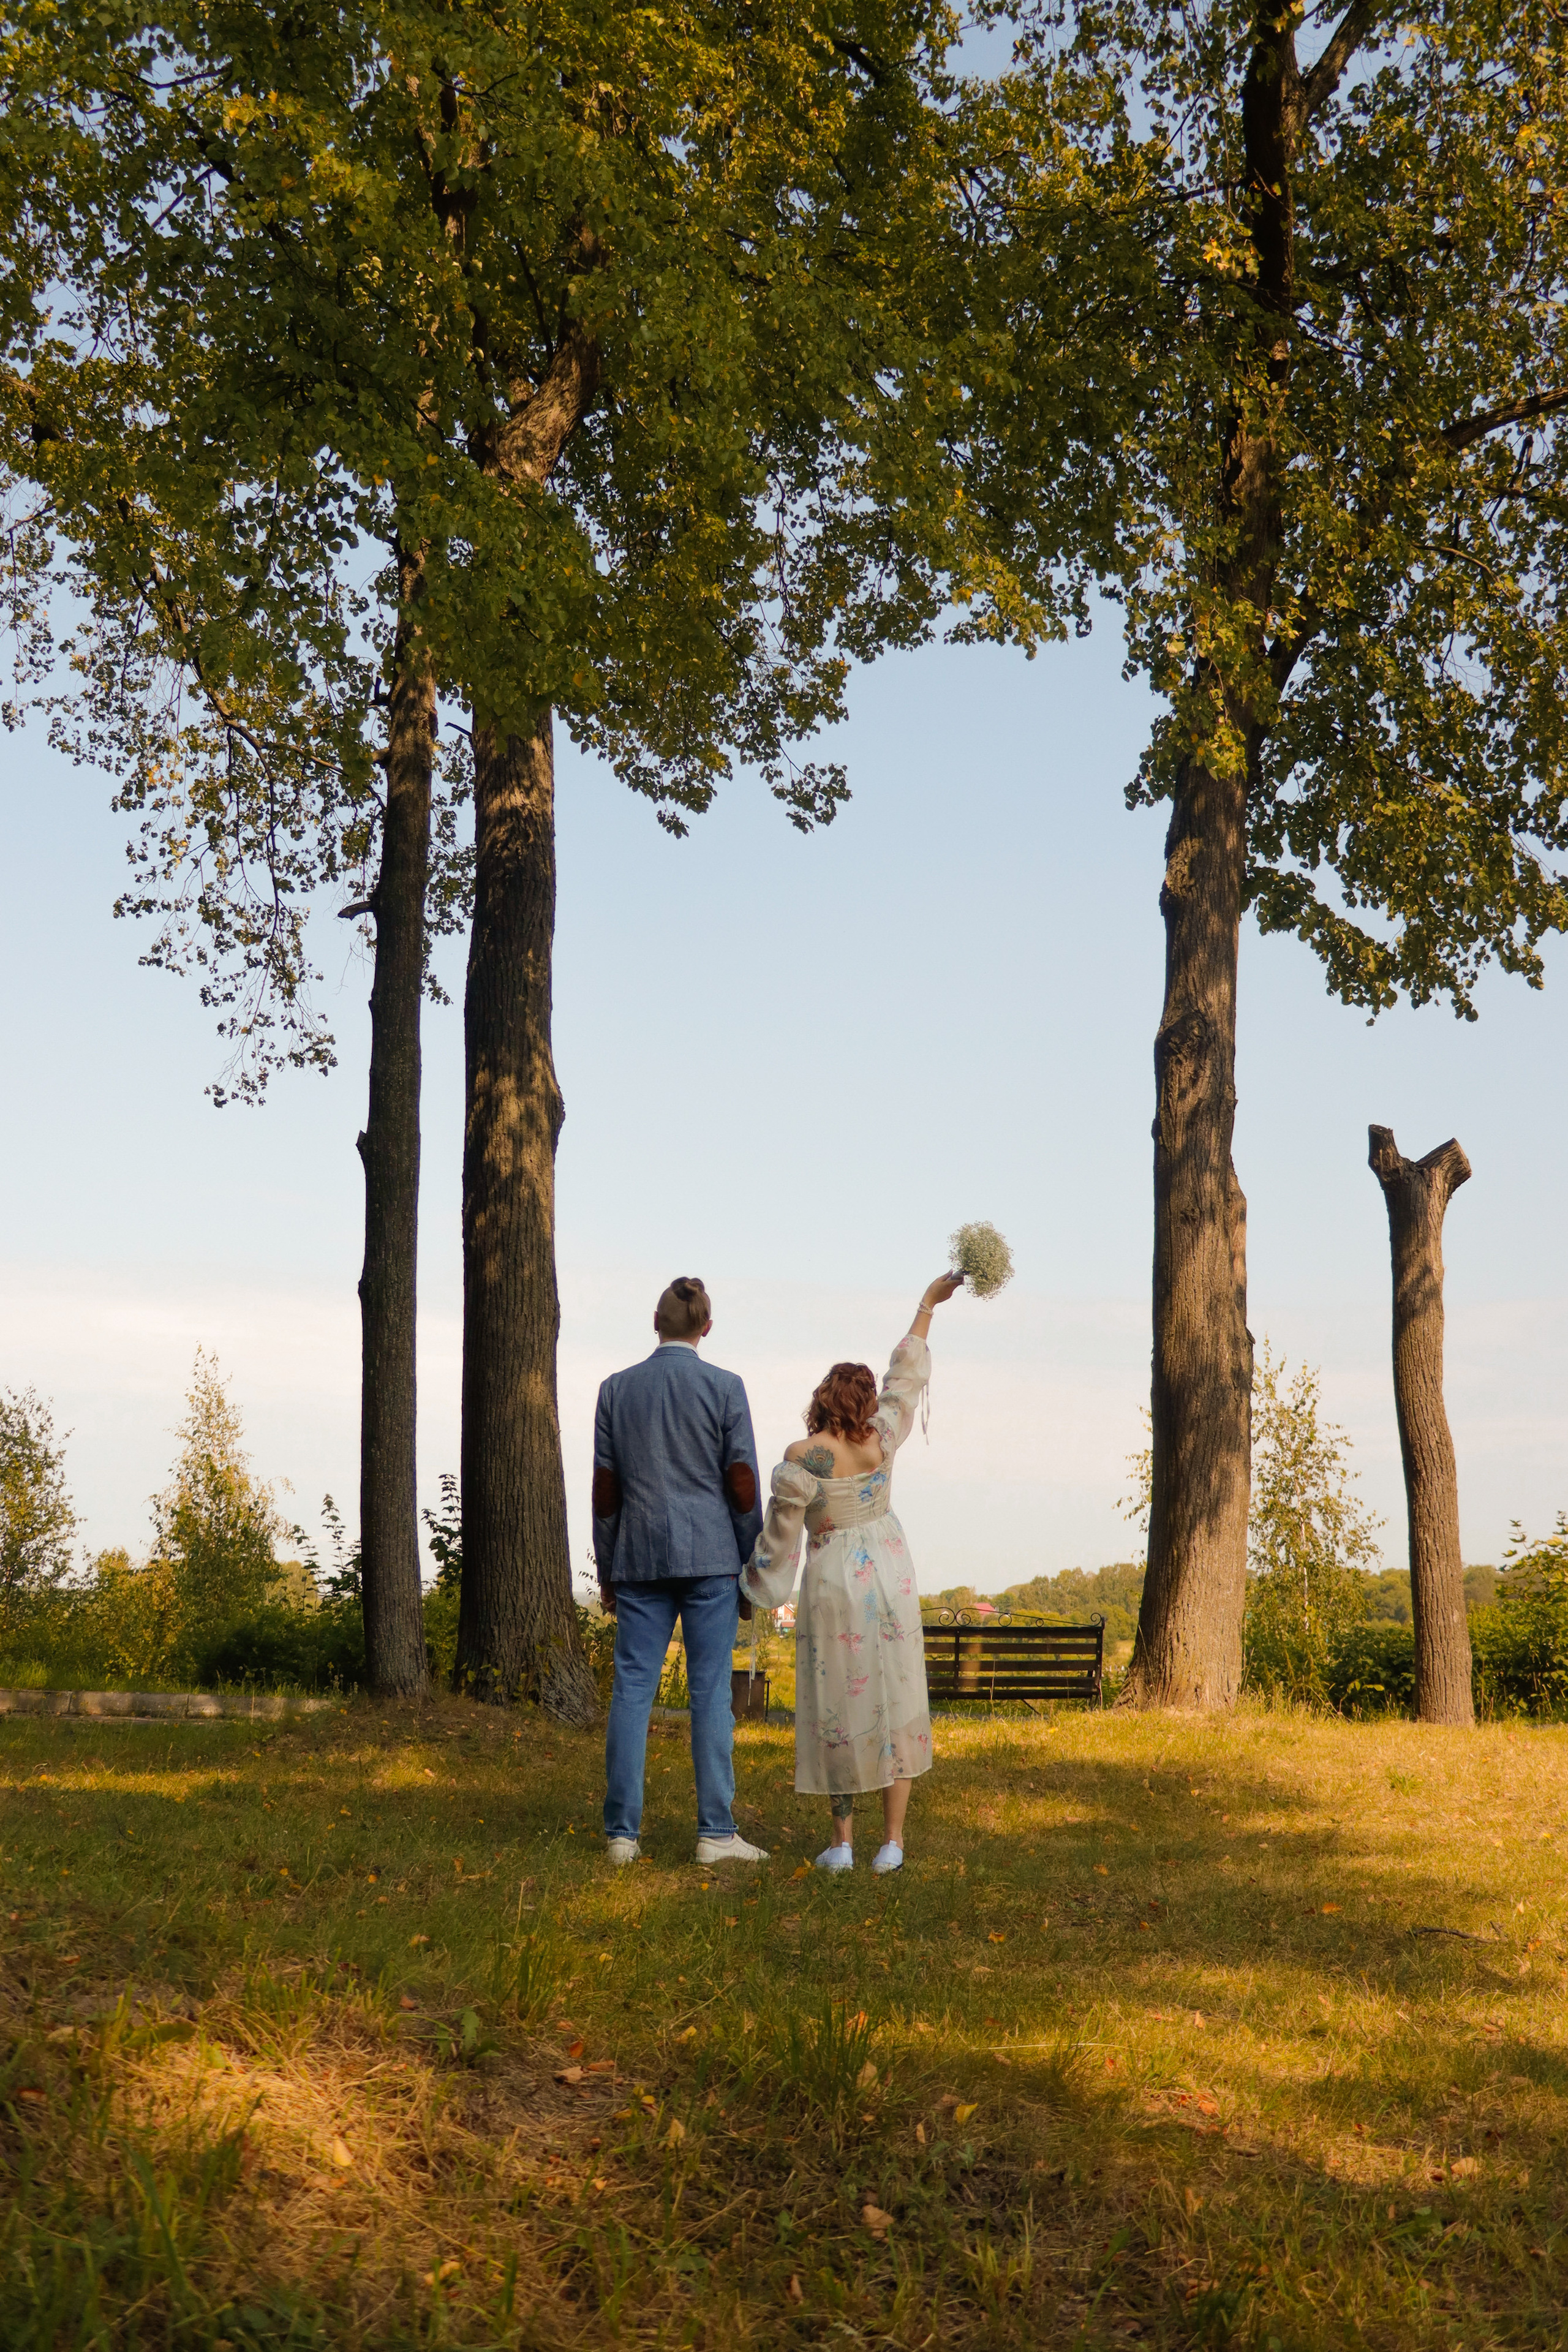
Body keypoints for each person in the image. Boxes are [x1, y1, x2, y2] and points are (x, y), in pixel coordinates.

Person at [740, 1272, 963, 1873]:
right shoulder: (882, 1441)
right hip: (890, 1575)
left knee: (838, 1701)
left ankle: (841, 1844)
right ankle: (891, 1842)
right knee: (894, 1696)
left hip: (835, 1581)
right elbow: (905, 1377)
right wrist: (926, 1304)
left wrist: (756, 1584)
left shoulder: (802, 1456)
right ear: (864, 1403)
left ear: (821, 1398)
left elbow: (782, 1535)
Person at [593, 1276, 770, 1868]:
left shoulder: (616, 1390)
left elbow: (606, 1491)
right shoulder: (725, 1387)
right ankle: (715, 1834)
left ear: (655, 1321)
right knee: (711, 1695)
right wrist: (752, 1565)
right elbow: (741, 1482)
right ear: (707, 1328)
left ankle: (622, 1835)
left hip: (639, 1556)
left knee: (633, 1691)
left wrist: (609, 1569)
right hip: (712, 1560)